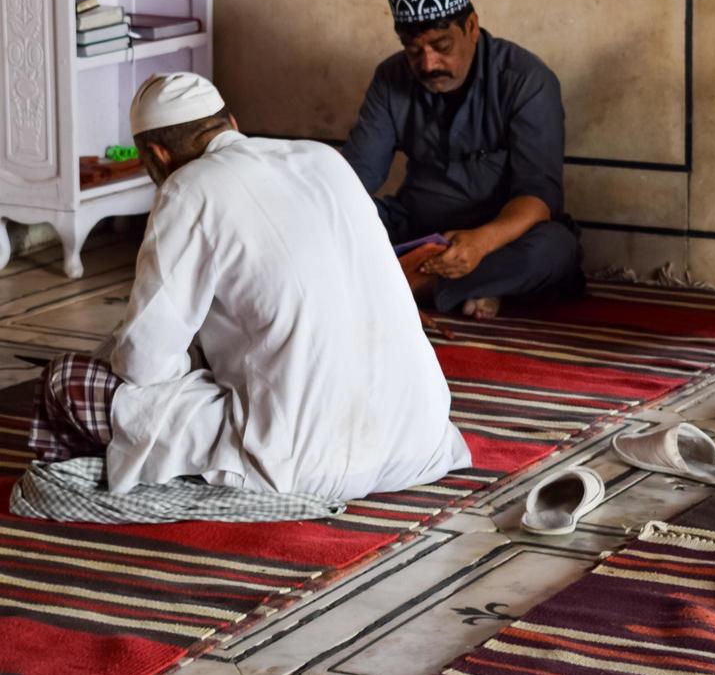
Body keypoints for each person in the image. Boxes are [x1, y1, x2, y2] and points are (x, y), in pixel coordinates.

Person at [28, 72, 471, 500]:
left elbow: (144, 364)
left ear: (159, 157)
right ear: (232, 125)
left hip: (302, 461)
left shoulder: (189, 187)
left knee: (69, 380)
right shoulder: (324, 159)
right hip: (419, 438)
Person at [342, 0, 582, 321]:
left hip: (499, 236)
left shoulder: (525, 79)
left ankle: (403, 286)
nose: (428, 63)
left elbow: (539, 196)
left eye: (441, 46)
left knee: (554, 250)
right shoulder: (391, 78)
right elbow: (356, 177)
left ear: (471, 27)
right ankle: (436, 284)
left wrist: (481, 243)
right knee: (343, 218)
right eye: (413, 50)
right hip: (417, 227)